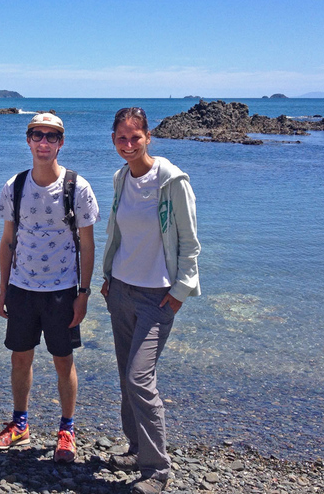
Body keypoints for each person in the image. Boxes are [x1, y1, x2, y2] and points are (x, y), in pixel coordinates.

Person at [0, 113, 99, 463]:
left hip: (62, 290)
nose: (44, 142)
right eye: (38, 135)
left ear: (61, 143)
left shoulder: (76, 187)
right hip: (21, 287)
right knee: (20, 358)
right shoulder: (15, 186)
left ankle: (67, 430)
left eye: (52, 137)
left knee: (63, 361)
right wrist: (3, 289)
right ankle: (20, 424)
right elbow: (8, 241)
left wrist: (83, 293)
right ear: (28, 140)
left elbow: (88, 244)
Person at [101, 107, 201, 494]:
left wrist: (179, 294)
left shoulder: (172, 180)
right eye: (121, 138)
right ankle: (136, 447)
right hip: (121, 290)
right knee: (126, 375)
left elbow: (190, 243)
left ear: (148, 137)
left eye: (135, 137)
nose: (128, 144)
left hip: (157, 298)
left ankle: (157, 469)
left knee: (139, 378)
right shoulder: (121, 178)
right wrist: (108, 277)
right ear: (113, 140)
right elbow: (118, 233)